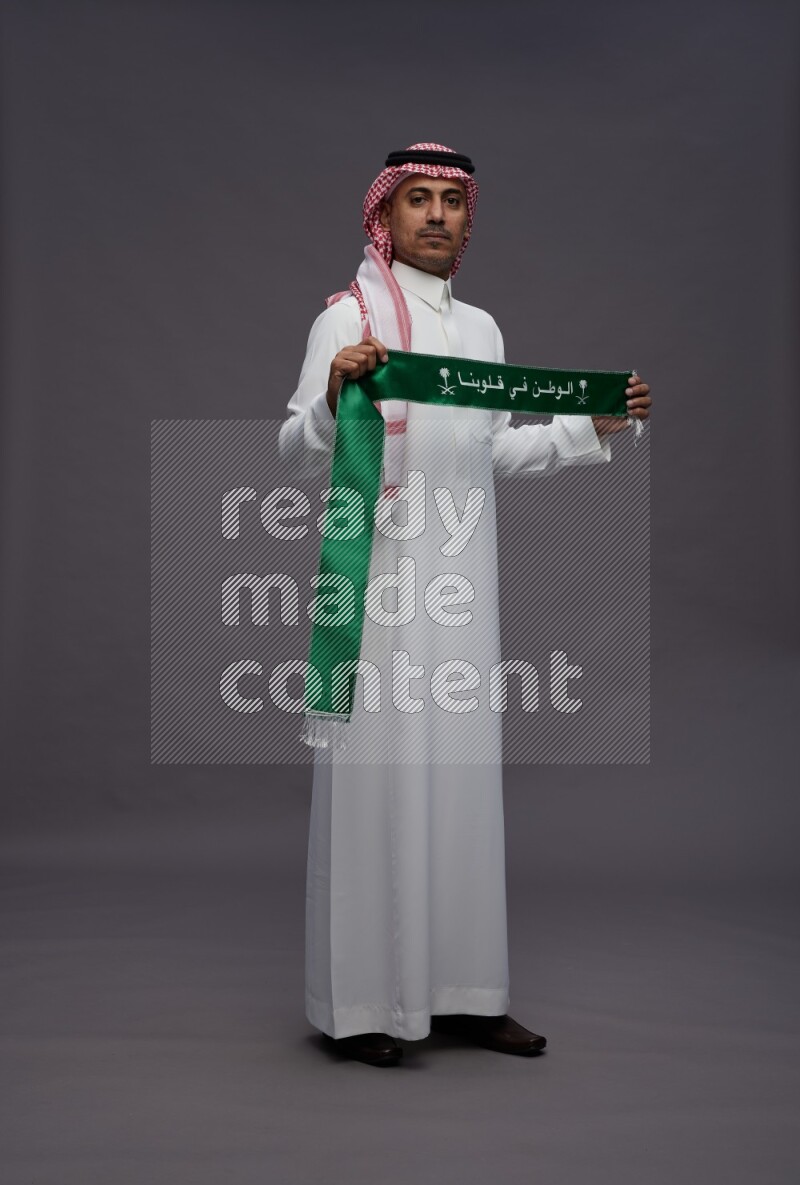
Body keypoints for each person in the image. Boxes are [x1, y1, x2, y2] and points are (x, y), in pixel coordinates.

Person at [278, 143, 651, 1067]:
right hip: (375, 586)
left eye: (451, 201)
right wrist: (332, 395)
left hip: (460, 589)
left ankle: (468, 995)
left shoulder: (481, 330)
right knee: (373, 788)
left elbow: (492, 452)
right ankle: (364, 1008)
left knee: (462, 787)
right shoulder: (349, 319)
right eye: (418, 201)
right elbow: (295, 449)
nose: (436, 216)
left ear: (467, 218)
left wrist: (584, 427)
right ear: (386, 216)